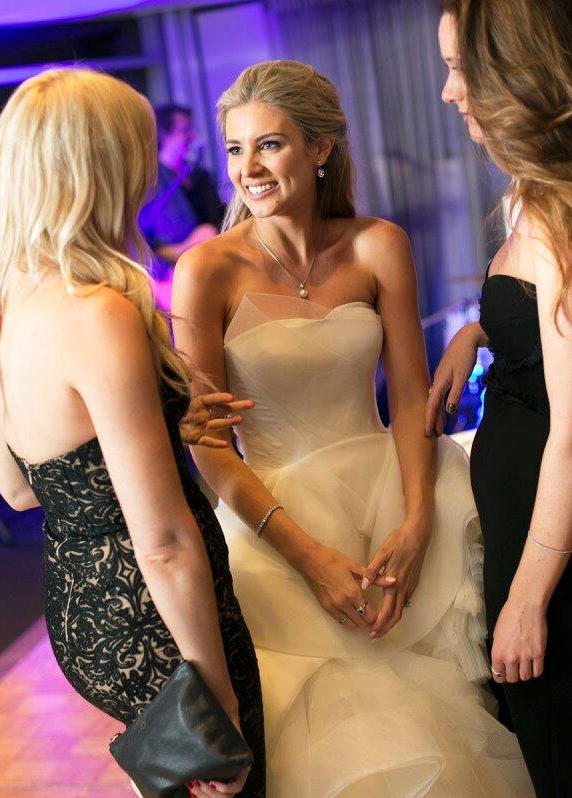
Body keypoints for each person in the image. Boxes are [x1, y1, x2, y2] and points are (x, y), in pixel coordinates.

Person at [172, 59, 534, 797]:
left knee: (445, 717)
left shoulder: (379, 244)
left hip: (388, 493)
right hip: (274, 525)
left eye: (269, 145)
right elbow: (208, 441)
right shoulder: (206, 269)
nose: (249, 168)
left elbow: (408, 399)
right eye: (235, 149)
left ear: (320, 147)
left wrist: (416, 522)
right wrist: (309, 560)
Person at [0, 67, 265, 798]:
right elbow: (163, 544)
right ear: (105, 165)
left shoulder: (1, 297)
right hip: (150, 615)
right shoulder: (97, 312)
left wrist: (161, 429)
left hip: (80, 617)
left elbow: (19, 489)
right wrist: (218, 704)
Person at [429, 1, 572, 795]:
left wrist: (526, 597)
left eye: (459, 69)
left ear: (514, 70)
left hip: (554, 559)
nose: (449, 93)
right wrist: (476, 335)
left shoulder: (558, 212)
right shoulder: (531, 190)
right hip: (527, 531)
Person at [139, 103, 225, 310]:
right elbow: (146, 237)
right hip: (171, 282)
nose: (192, 136)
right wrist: (182, 250)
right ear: (164, 135)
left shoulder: (199, 178)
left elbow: (217, 223)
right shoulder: (152, 183)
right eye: (184, 131)